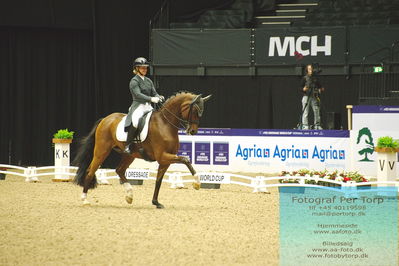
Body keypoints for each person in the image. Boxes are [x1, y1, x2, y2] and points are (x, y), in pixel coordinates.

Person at [124, 57, 164, 153]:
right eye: (142, 68)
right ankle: (128, 145)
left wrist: (159, 96)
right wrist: (151, 99)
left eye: (146, 68)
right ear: (137, 69)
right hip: (138, 106)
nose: (145, 70)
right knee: (136, 121)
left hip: (148, 107)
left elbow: (154, 92)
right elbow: (138, 94)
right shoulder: (134, 81)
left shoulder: (148, 81)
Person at [300, 64, 324, 130]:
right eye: (309, 69)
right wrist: (303, 89)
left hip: (314, 96)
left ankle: (317, 125)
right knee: (305, 112)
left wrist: (320, 89)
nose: (311, 70)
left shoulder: (315, 79)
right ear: (307, 70)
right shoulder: (305, 78)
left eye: (311, 69)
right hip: (306, 96)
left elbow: (321, 87)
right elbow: (300, 87)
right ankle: (305, 125)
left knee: (316, 111)